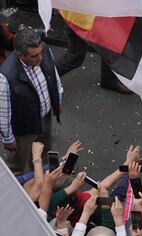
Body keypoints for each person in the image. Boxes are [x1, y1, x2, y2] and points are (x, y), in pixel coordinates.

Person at [0, 25, 64, 175]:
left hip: (44, 117)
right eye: (34, 56)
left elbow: (53, 75)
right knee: (17, 165)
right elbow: (3, 111)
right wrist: (8, 137)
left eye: (40, 53)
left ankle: (43, 182)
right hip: (23, 128)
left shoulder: (44, 50)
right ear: (19, 56)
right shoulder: (5, 76)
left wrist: (58, 97)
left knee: (45, 150)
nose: (40, 58)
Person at [56, 21, 132, 95]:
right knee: (75, 57)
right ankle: (48, 77)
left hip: (97, 14)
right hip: (81, 16)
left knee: (110, 42)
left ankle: (108, 78)